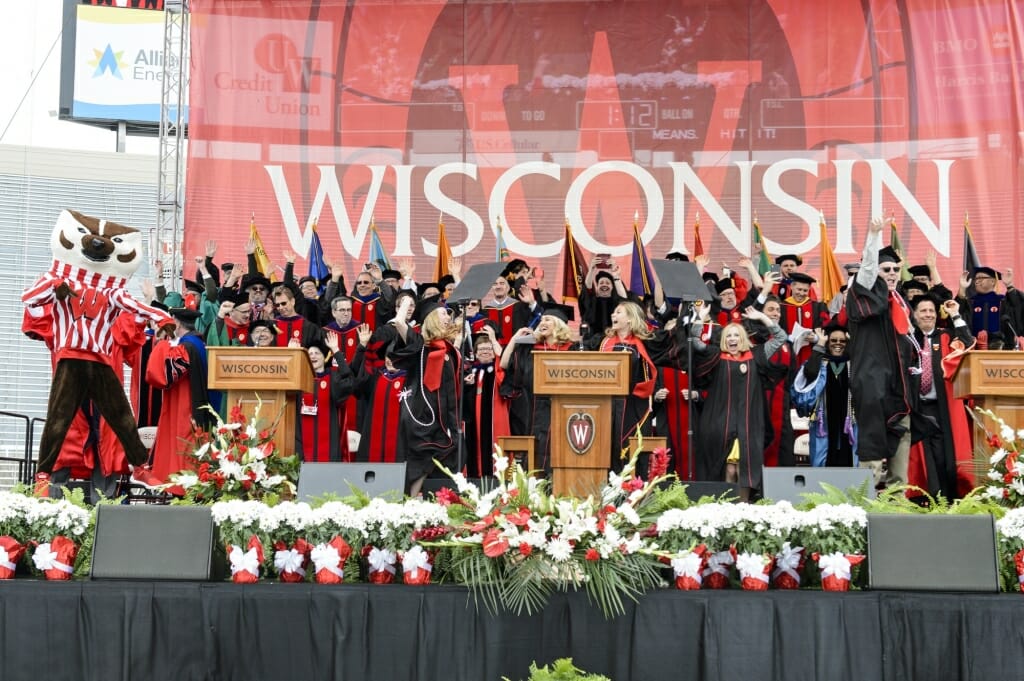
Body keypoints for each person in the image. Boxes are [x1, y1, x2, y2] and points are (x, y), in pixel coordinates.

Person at [846, 216, 918, 489]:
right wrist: (873, 235)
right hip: (872, 381)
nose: (891, 273)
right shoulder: (864, 295)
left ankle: (898, 500)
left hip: (899, 385)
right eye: (885, 268)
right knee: (874, 440)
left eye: (896, 269)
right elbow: (865, 271)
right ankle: (868, 503)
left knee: (903, 436)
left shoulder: (900, 303)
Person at [690, 306, 788, 501]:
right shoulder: (716, 356)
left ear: (742, 338)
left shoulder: (757, 356)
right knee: (728, 466)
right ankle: (729, 506)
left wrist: (762, 317)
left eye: (736, 335)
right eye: (728, 336)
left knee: (744, 466)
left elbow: (780, 338)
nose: (732, 339)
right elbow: (695, 341)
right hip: (721, 421)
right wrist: (699, 319)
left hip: (748, 423)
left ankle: (743, 507)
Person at [388, 296, 461, 496]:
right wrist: (406, 301)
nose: (448, 316)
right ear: (431, 318)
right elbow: (399, 322)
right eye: (444, 313)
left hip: (444, 418)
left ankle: (435, 507)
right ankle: (410, 504)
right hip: (421, 416)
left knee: (444, 460)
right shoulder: (419, 345)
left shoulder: (450, 350)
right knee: (421, 459)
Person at [137, 306, 215, 486]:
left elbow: (161, 376)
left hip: (185, 406)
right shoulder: (198, 344)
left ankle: (180, 488)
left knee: (182, 448)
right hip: (193, 403)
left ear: (176, 323)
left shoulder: (186, 347)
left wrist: (162, 341)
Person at [907, 295, 975, 500]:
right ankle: (922, 497)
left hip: (942, 406)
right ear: (915, 315)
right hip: (918, 406)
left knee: (944, 453)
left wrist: (955, 314)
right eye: (923, 311)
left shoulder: (945, 336)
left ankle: (947, 497)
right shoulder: (908, 338)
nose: (928, 314)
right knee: (920, 456)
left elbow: (968, 342)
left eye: (931, 311)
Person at [500, 305, 578, 474]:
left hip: (561, 408)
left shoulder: (572, 349)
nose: (542, 322)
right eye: (541, 319)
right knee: (536, 448)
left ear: (558, 324)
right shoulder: (531, 349)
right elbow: (504, 364)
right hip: (533, 408)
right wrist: (515, 339)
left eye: (547, 319)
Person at [793, 325, 857, 467]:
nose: (838, 344)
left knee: (850, 462)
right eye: (833, 340)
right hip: (824, 424)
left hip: (849, 424)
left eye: (842, 341)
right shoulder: (821, 363)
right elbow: (809, 374)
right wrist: (819, 344)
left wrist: (855, 343)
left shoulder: (853, 364)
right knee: (823, 463)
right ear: (828, 343)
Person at [298, 337, 355, 463]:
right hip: (303, 443)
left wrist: (336, 350)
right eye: (309, 353)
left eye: (317, 353)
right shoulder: (299, 380)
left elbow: (349, 381)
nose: (313, 356)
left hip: (329, 443)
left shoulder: (333, 379)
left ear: (325, 357)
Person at [463, 325, 509, 478]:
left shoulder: (497, 371)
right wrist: (466, 384)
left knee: (491, 444)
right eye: (481, 349)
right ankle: (474, 476)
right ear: (475, 353)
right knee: (473, 444)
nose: (485, 351)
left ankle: (493, 477)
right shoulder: (470, 372)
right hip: (473, 419)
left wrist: (494, 342)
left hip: (493, 418)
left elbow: (505, 363)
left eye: (488, 349)